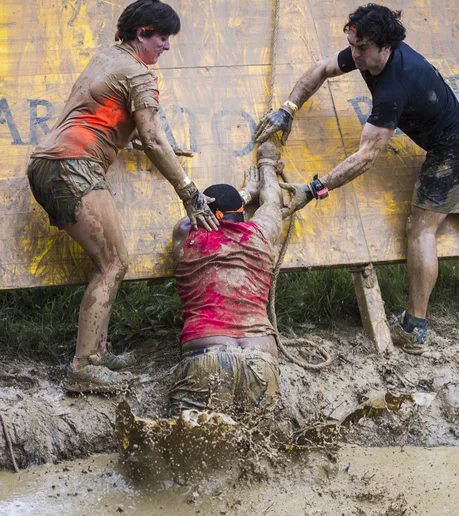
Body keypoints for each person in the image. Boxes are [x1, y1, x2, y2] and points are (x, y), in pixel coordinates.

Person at [26, 0, 218, 392]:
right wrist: (190, 193)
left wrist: (156, 146)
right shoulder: (141, 75)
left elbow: (103, 118)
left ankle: (96, 352)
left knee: (110, 261)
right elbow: (149, 134)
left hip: (49, 164)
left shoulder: (108, 58)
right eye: (163, 38)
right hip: (73, 165)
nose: (166, 47)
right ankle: (82, 367)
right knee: (114, 262)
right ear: (143, 33)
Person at [256, 3, 459, 355]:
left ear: (385, 46)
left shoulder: (395, 84)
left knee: (422, 228)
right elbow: (321, 69)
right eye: (352, 45)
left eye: (361, 49)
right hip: (445, 139)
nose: (353, 55)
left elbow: (366, 156)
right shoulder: (367, 53)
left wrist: (316, 188)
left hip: (451, 151)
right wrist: (287, 109)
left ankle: (415, 328)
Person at [168, 140, 287, 429]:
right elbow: (273, 202)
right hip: (261, 359)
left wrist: (241, 195)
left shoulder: (187, 236)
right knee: (257, 452)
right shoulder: (261, 233)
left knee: (191, 451)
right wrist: (267, 161)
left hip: (206, 354)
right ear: (242, 212)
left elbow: (191, 219)